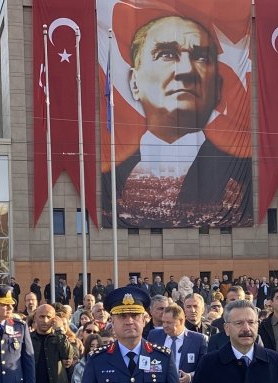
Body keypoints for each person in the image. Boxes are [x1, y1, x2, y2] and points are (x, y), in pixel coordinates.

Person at [100, 15, 251, 228]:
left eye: (201, 57)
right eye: (167, 54)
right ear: (134, 82)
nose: (187, 70)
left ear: (217, 89)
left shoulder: (241, 178)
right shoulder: (110, 179)